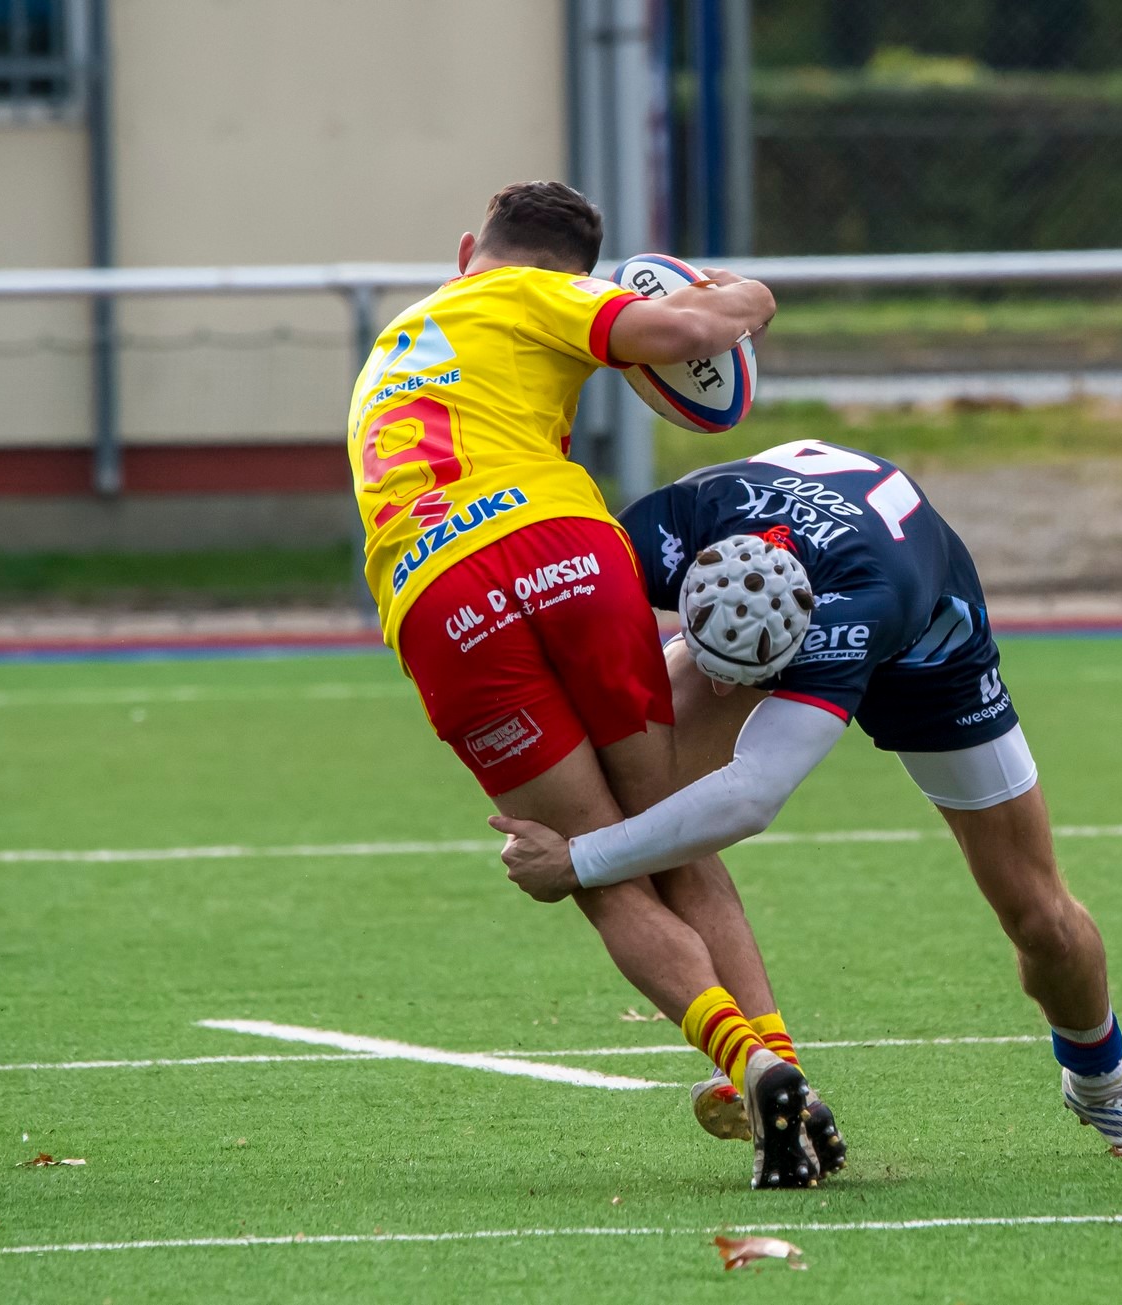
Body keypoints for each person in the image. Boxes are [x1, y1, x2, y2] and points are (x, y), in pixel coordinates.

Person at [489, 439, 1122, 1159]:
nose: (725, 692)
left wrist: (578, 859)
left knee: (1040, 916)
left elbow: (749, 798)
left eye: (746, 676)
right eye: (714, 667)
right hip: (801, 567)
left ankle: (1103, 1080)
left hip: (927, 650)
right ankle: (762, 1064)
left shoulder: (854, 611)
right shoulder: (676, 523)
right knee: (653, 804)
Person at [347, 181, 841, 1190]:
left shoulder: (400, 337)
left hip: (437, 593)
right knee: (663, 826)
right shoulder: (546, 294)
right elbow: (694, 327)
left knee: (592, 862)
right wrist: (749, 294)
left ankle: (746, 1068)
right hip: (563, 547)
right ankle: (780, 1063)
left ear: (464, 250)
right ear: (574, 271)